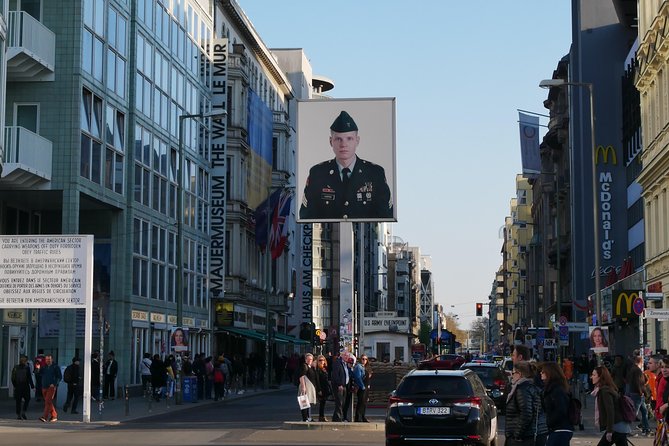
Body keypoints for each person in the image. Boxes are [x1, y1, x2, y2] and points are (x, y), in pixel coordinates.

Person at [299, 110, 393, 220]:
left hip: (361, 235)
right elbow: (306, 216)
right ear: (331, 141)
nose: (343, 144)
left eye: (349, 139)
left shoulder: (375, 173)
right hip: (327, 236)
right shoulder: (318, 173)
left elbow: (386, 215)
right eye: (338, 139)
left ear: (357, 141)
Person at [591, 365, 631, 446]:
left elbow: (610, 411)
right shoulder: (607, 388)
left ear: (600, 377)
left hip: (616, 426)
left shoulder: (604, 391)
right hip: (620, 425)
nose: (591, 377)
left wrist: (609, 431)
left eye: (594, 375)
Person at [505, 361, 541, 446]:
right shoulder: (530, 386)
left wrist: (517, 435)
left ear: (519, 374)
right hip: (526, 435)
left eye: (513, 373)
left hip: (523, 438)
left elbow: (526, 413)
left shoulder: (522, 389)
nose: (511, 376)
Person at [540, 362, 573, 445]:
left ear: (550, 373)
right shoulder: (551, 388)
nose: (541, 373)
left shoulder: (556, 389)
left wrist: (550, 422)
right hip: (558, 429)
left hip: (560, 429)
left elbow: (561, 409)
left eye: (543, 372)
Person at [625, 355, 651, 436]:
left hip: (635, 393)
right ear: (641, 362)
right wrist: (642, 392)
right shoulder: (637, 370)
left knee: (644, 411)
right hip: (638, 394)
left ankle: (646, 429)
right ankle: (627, 430)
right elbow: (639, 383)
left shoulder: (633, 369)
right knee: (634, 413)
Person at [39, 354, 62, 422]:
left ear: (52, 359)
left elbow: (59, 377)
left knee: (48, 401)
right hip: (44, 386)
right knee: (48, 401)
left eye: (49, 359)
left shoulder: (55, 367)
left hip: (51, 387)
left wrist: (54, 384)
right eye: (46, 360)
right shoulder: (44, 367)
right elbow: (39, 374)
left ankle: (44, 417)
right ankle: (54, 416)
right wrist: (37, 369)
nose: (47, 361)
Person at [11, 355, 34, 420]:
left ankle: (18, 414)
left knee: (18, 401)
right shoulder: (27, 368)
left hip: (18, 386)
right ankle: (23, 411)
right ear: (26, 361)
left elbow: (12, 378)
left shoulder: (15, 367)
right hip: (25, 386)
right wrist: (32, 386)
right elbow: (29, 378)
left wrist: (15, 385)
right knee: (27, 399)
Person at [297, 353, 318, 422]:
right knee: (304, 403)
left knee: (307, 403)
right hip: (305, 387)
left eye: (311, 359)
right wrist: (303, 387)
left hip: (309, 387)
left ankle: (308, 417)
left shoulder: (309, 366)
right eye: (308, 359)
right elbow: (301, 376)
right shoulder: (304, 366)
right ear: (305, 360)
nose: (309, 360)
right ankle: (305, 418)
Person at [330, 352, 349, 422]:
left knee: (342, 402)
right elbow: (335, 375)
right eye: (345, 355)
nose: (347, 357)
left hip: (344, 385)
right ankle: (338, 418)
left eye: (347, 356)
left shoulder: (345, 363)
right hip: (339, 386)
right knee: (339, 402)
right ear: (342, 356)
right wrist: (339, 384)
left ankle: (335, 417)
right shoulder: (338, 362)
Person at [315, 354, 331, 422]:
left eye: (323, 360)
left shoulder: (324, 368)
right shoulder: (318, 370)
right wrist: (319, 390)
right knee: (322, 403)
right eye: (320, 360)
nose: (322, 361)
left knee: (323, 403)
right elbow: (317, 380)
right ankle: (321, 416)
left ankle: (322, 416)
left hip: (325, 387)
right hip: (321, 388)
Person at [352, 354, 367, 422]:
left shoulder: (363, 367)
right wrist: (362, 386)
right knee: (360, 402)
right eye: (363, 359)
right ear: (360, 359)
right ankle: (358, 418)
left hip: (364, 387)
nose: (364, 360)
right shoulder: (358, 366)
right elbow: (358, 377)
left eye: (366, 359)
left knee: (363, 403)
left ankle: (361, 417)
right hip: (360, 387)